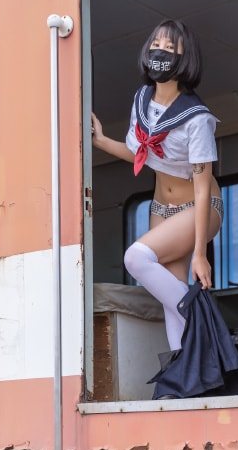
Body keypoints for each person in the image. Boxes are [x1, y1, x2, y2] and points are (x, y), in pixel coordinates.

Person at [91, 19, 223, 352]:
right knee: (170, 299)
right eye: (156, 45)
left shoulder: (197, 118)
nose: (160, 52)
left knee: (136, 258)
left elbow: (202, 188)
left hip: (200, 207)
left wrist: (200, 254)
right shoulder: (142, 100)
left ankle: (204, 324)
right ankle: (184, 369)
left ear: (184, 58)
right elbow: (142, 154)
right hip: (161, 208)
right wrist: (101, 141)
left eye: (170, 47)